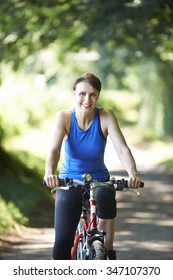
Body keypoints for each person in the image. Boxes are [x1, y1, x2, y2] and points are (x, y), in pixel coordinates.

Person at [44, 73, 141, 260]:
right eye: (82, 94)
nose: (87, 100)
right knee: (62, 243)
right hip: (69, 181)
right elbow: (54, 151)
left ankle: (107, 252)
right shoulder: (64, 117)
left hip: (99, 181)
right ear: (74, 94)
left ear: (98, 96)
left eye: (93, 94)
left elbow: (122, 149)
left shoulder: (106, 116)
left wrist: (133, 174)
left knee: (106, 199)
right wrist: (49, 172)